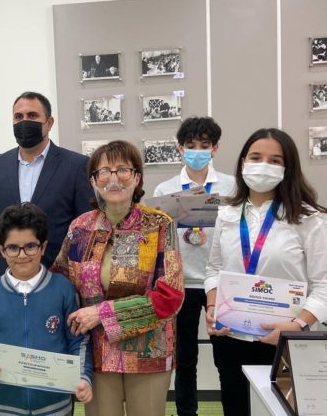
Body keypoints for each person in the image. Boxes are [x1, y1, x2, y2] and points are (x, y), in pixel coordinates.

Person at [52, 140, 185, 416]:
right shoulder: (81, 227)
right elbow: (59, 281)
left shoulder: (159, 224)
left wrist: (102, 313)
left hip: (149, 351)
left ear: (137, 178)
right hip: (95, 351)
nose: (114, 179)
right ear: (93, 181)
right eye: (104, 172)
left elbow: (170, 297)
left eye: (123, 170)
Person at [205, 128, 327, 416]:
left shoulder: (309, 218)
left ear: (288, 167)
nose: (263, 165)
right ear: (243, 163)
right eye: (256, 157)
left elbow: (324, 285)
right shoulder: (227, 214)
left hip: (286, 341)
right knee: (236, 408)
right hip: (231, 337)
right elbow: (214, 269)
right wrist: (212, 307)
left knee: (284, 410)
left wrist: (296, 326)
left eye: (275, 160)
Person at [0, 203, 92, 416]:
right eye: (13, 248)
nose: (22, 255)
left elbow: (78, 341)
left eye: (30, 246)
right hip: (4, 405)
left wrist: (83, 377)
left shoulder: (63, 290)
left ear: (43, 247)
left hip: (55, 405)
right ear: (1, 250)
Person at [154, 116, 235, 416]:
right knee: (185, 359)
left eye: (204, 145)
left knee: (225, 358)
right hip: (182, 283)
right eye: (190, 145)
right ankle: (187, 413)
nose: (197, 151)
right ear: (180, 148)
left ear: (215, 148)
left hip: (221, 283)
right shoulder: (166, 189)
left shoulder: (230, 186)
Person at [0, 91, 93, 277]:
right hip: (6, 278)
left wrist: (75, 273)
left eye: (32, 115)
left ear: (49, 123)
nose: (24, 121)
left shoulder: (76, 165)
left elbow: (85, 227)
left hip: (57, 276)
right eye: (19, 117)